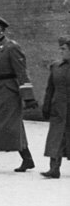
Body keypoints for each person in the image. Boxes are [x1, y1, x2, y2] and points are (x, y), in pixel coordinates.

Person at [0, 12, 39, 181]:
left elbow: (21, 72)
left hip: (7, 93)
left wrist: (29, 97)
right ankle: (27, 159)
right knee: (11, 127)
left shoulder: (11, 47)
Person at [40, 36, 70, 179]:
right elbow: (50, 88)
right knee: (55, 138)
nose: (60, 51)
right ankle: (54, 169)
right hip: (58, 109)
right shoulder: (56, 67)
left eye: (63, 49)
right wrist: (46, 105)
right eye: (60, 49)